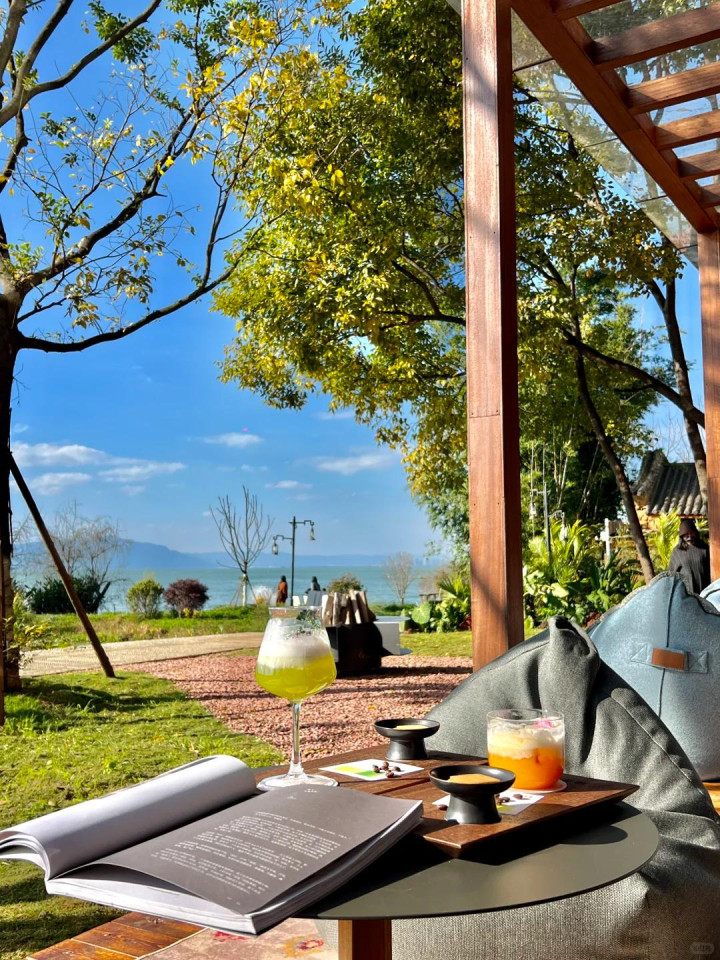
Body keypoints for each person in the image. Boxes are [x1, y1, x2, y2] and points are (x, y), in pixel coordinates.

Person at [668, 518, 711, 594]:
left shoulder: (704, 548)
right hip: (685, 591)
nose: (690, 536)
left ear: (696, 533)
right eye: (687, 534)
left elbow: (710, 568)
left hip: (704, 589)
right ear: (682, 535)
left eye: (692, 533)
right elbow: (672, 574)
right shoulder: (677, 551)